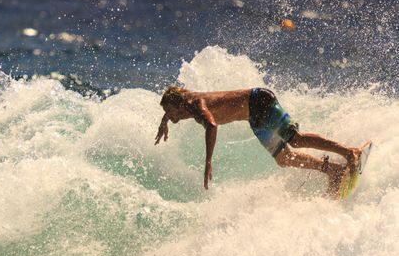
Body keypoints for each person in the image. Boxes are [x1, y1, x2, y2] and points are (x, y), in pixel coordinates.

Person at [154, 86, 361, 196]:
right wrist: (164, 121)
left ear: (178, 104)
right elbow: (174, 107)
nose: (170, 116)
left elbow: (212, 125)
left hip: (260, 101)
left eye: (170, 112)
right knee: (285, 158)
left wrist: (208, 161)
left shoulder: (197, 105)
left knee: (296, 140)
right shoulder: (184, 104)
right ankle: (332, 170)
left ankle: (348, 152)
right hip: (253, 117)